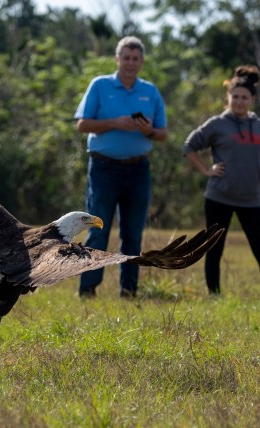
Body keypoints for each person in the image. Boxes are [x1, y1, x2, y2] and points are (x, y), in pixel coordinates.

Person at [182, 65, 260, 297]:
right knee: (214, 248)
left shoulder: (259, 126)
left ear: (252, 99)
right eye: (235, 97)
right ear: (228, 97)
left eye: (244, 98)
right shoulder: (217, 124)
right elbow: (189, 146)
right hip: (219, 196)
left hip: (251, 199)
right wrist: (207, 170)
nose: (239, 101)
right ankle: (214, 294)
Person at [74, 36, 168, 298]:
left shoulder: (150, 92)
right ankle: (88, 289)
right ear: (117, 59)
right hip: (103, 169)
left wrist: (149, 130)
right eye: (125, 57)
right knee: (97, 229)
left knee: (132, 233)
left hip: (138, 170)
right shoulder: (100, 86)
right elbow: (82, 125)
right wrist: (114, 122)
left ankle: (128, 289)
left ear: (141, 62)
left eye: (135, 58)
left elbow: (163, 134)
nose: (130, 62)